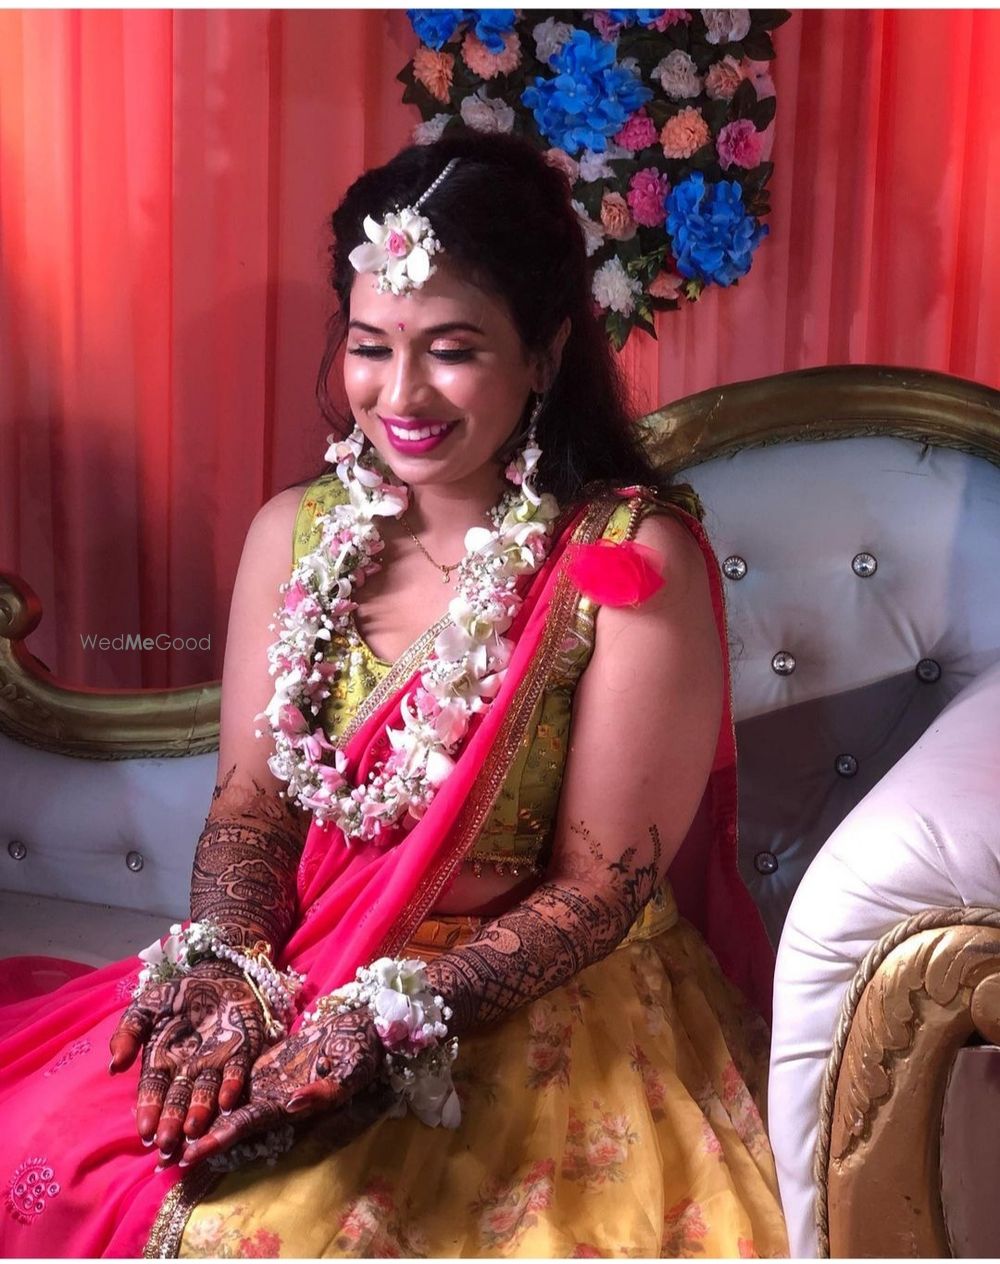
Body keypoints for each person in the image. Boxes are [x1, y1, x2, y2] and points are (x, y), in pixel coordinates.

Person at [0, 129, 787, 1258]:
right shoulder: (297, 532)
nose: (401, 393)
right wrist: (227, 969)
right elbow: (253, 807)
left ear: (545, 354)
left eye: (453, 350)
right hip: (308, 957)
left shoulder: (623, 557)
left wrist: (387, 1025)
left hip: (538, 999)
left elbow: (597, 887)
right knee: (58, 1154)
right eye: (371, 347)